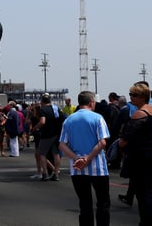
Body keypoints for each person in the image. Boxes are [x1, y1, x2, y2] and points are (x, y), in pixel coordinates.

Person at [59, 91, 110, 226]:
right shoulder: (97, 118)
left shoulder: (68, 120)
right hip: (98, 168)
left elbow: (62, 144)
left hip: (77, 168)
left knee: (85, 204)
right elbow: (102, 142)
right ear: (91, 102)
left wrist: (78, 158)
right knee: (103, 203)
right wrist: (88, 158)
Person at [118, 82, 152, 225]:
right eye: (130, 94)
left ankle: (146, 222)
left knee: (143, 194)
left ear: (143, 96)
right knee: (147, 192)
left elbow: (124, 139)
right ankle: (149, 221)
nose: (131, 98)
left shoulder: (140, 113)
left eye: (134, 95)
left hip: (139, 157)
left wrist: (121, 139)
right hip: (151, 154)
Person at [33, 93, 63, 181]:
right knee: (56, 154)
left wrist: (35, 128)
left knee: (42, 153)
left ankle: (45, 173)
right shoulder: (56, 109)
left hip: (46, 135)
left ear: (42, 101)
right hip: (56, 134)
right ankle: (56, 174)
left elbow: (42, 121)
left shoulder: (43, 110)